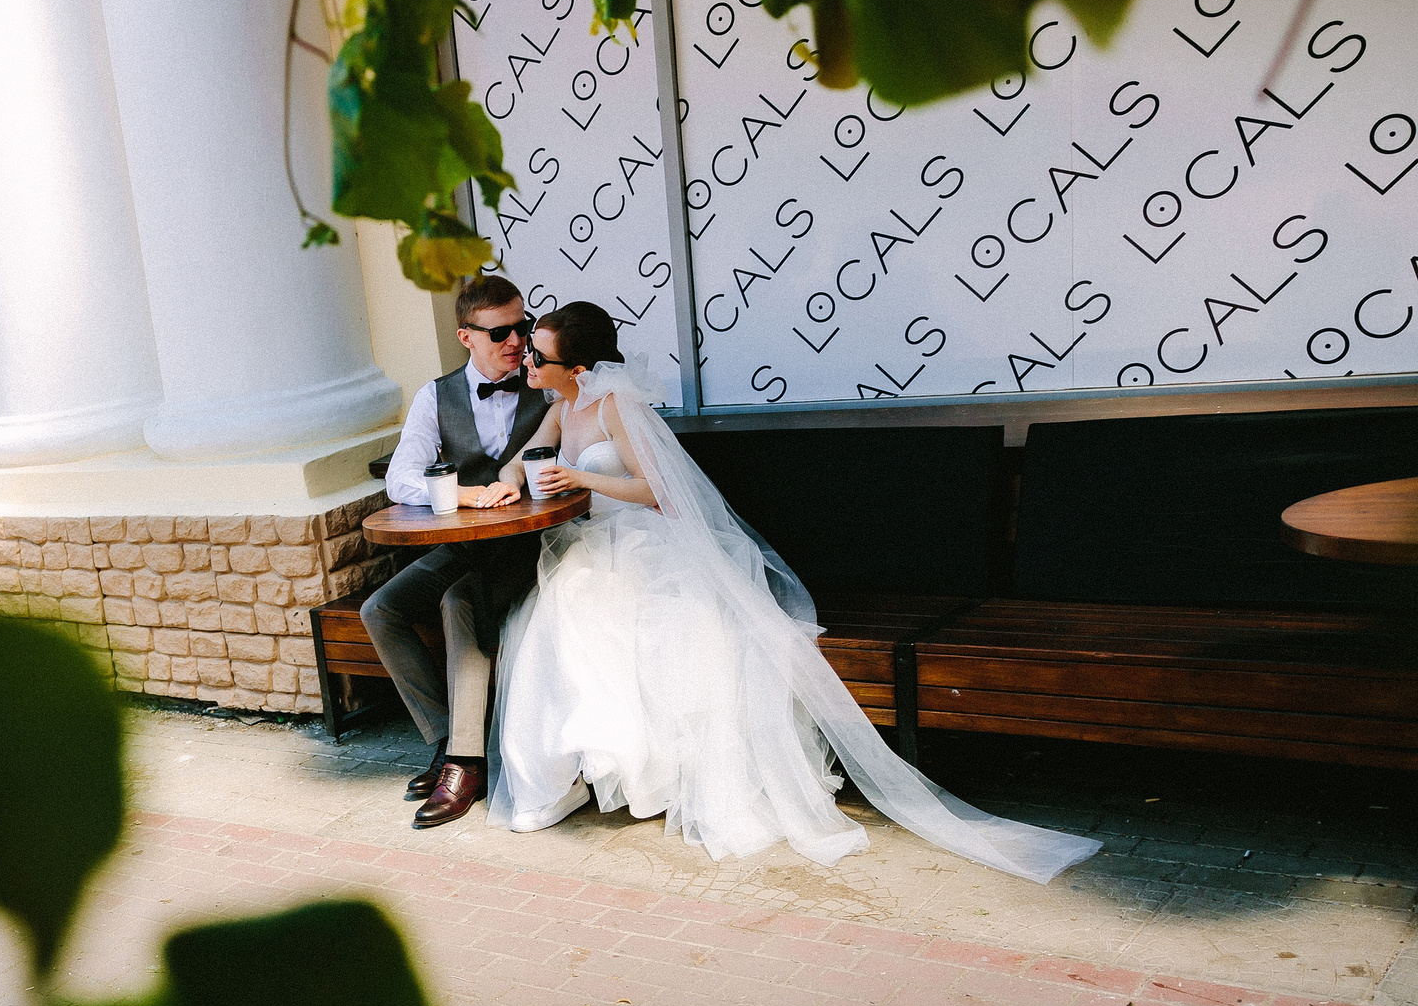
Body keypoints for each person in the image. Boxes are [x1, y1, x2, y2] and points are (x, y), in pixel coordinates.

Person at [483, 303, 1100, 884]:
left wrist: (581, 477)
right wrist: (507, 483)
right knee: (556, 611)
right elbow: (522, 459)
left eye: (539, 357)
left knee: (609, 612)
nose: (528, 365)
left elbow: (661, 493)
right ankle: (567, 777)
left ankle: (659, 780)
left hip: (644, 541)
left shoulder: (615, 405)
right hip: (592, 542)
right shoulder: (564, 405)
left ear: (580, 369)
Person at [361, 274, 553, 830]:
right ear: (466, 336)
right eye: (500, 334)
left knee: (457, 603)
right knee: (382, 609)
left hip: (532, 544)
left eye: (523, 327)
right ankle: (447, 736)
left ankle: (465, 765)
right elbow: (401, 480)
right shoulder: (435, 396)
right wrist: (464, 495)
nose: (517, 342)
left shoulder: (547, 384)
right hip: (467, 542)